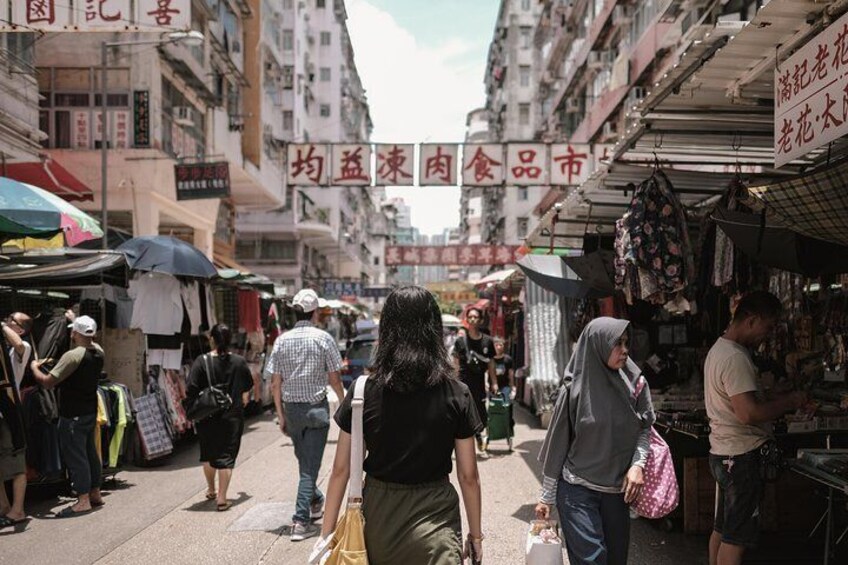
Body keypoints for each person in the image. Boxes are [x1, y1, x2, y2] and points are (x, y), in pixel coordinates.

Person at [321, 286, 484, 564]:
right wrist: (476, 536)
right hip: (437, 522)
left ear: (387, 329)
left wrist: (325, 538)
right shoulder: (457, 393)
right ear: (433, 329)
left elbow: (341, 470)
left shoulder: (363, 392)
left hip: (378, 522)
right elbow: (468, 476)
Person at [535, 317, 655, 565]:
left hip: (617, 492)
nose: (624, 350)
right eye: (616, 344)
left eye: (625, 343)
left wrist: (637, 465)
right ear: (597, 345)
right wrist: (546, 496)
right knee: (592, 560)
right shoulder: (573, 391)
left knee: (615, 560)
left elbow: (644, 429)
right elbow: (558, 444)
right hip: (576, 490)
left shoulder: (636, 384)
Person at [705, 291, 808, 565]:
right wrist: (789, 401)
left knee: (723, 529)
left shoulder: (719, 349)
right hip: (741, 458)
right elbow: (748, 413)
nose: (769, 334)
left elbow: (739, 401)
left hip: (723, 453)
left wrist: (772, 394)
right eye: (769, 326)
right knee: (735, 539)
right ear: (752, 320)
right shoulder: (735, 357)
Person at [267, 288, 344, 542]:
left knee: (305, 464)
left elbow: (275, 383)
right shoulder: (323, 339)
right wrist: (344, 405)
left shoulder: (281, 340)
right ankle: (300, 520)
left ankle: (316, 500)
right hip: (315, 410)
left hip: (292, 411)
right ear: (315, 312)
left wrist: (280, 415)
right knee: (309, 468)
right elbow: (335, 379)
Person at [30, 315, 105, 517]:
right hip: (89, 411)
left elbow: (47, 382)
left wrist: (34, 368)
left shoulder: (73, 356)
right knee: (89, 453)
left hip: (73, 415)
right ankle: (95, 493)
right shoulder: (98, 351)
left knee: (76, 456)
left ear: (74, 334)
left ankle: (82, 500)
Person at [185, 324, 253, 512]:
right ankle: (222, 498)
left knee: (208, 454)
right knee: (227, 457)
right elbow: (247, 387)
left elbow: (190, 387)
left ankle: (211, 488)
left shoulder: (201, 361)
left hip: (207, 416)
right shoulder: (239, 361)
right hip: (232, 417)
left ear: (211, 340)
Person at [0, 313, 33, 528]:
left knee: (16, 461)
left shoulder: (23, 347)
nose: (9, 321)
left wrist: (2, 325)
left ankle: (18, 510)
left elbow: (19, 344)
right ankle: (4, 508)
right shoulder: (5, 350)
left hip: (10, 411)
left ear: (21, 329)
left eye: (13, 320)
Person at [452, 307, 496, 452]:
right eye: (470, 317)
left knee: (481, 415)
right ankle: (469, 440)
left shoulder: (488, 341)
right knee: (462, 412)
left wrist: (494, 382)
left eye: (475, 317)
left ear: (480, 320)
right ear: (466, 319)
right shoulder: (460, 341)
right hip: (463, 383)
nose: (472, 319)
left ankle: (477, 434)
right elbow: (456, 363)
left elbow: (491, 363)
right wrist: (453, 382)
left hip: (479, 383)